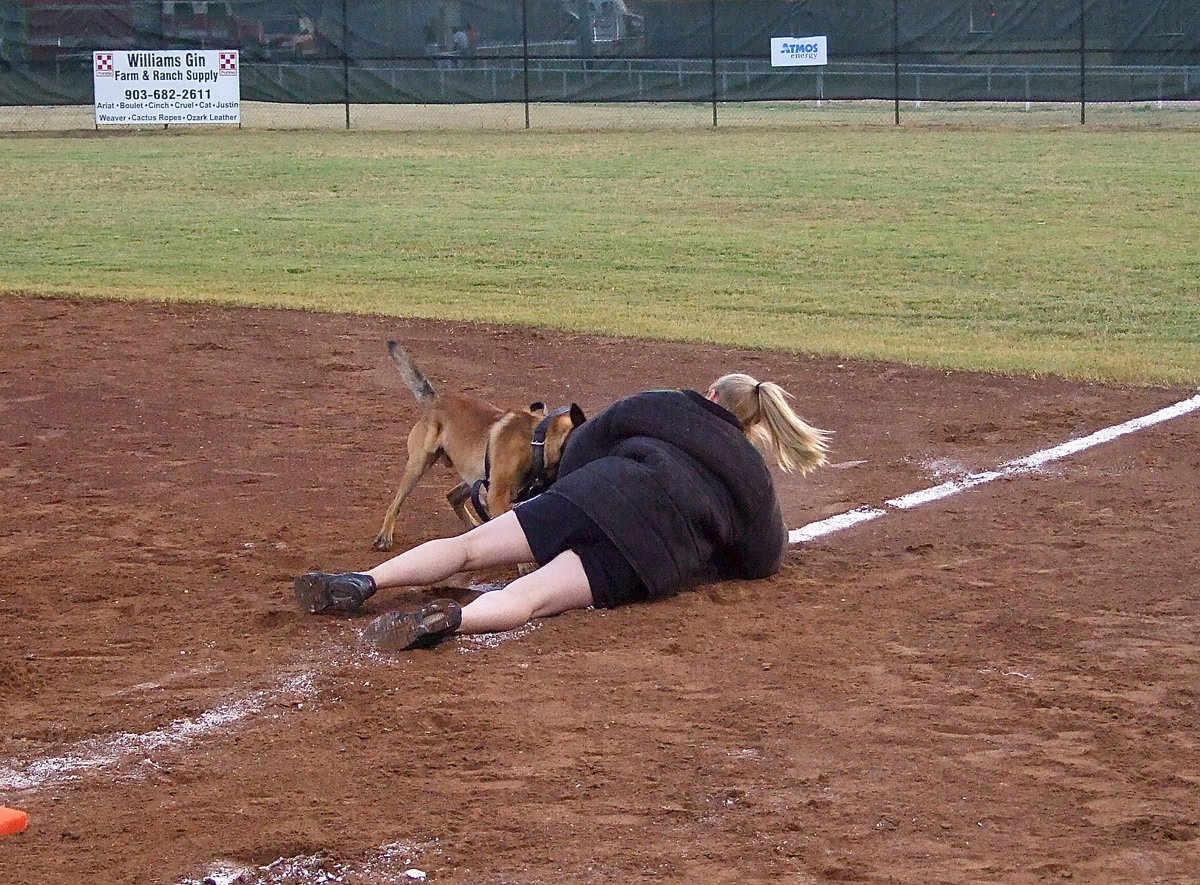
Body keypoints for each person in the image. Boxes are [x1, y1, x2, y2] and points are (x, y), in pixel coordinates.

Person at [294, 373, 830, 651]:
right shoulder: (753, 474)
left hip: (595, 490)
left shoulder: (667, 402)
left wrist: (572, 492)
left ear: (711, 393)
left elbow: (589, 439)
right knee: (525, 600)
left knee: (468, 548)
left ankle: (362, 581)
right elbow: (763, 556)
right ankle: (452, 620)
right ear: (755, 424)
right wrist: (704, 554)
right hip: (644, 551)